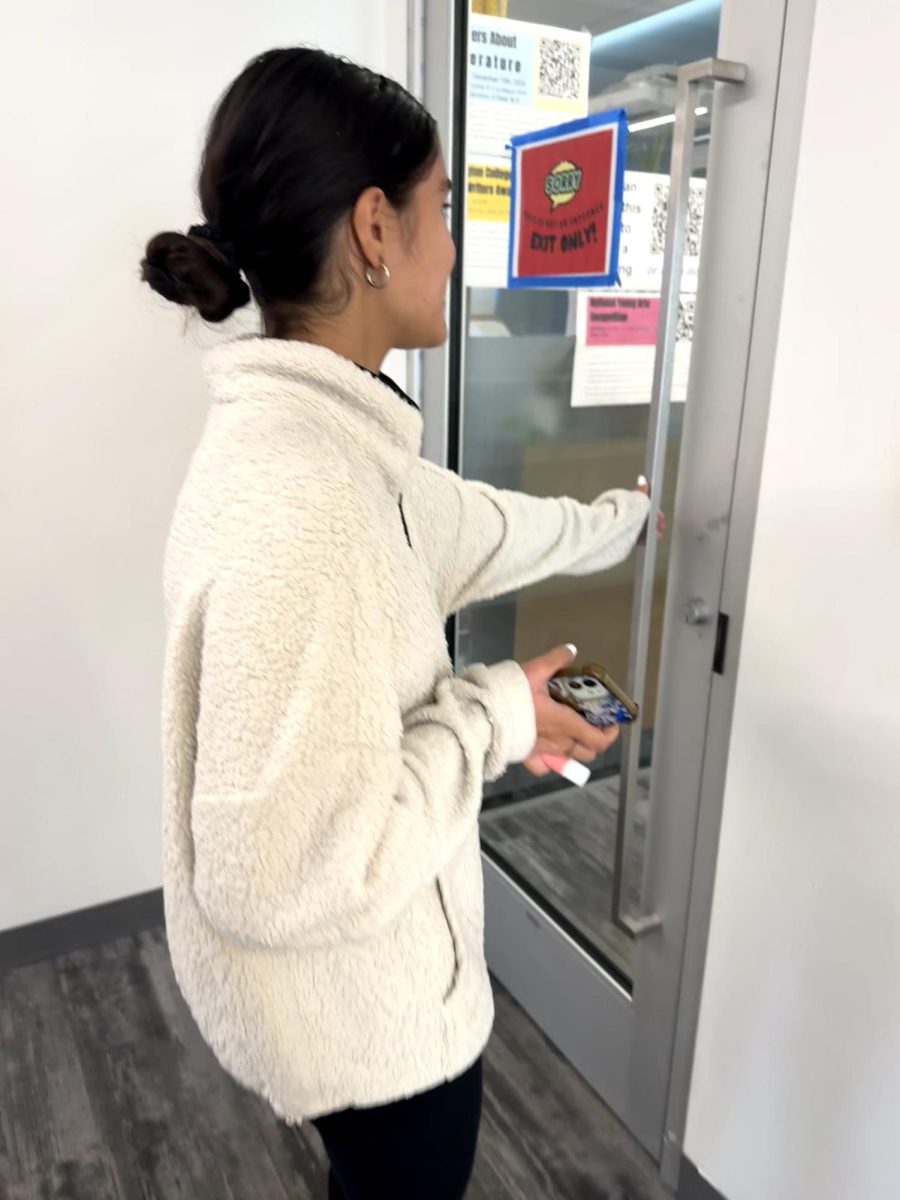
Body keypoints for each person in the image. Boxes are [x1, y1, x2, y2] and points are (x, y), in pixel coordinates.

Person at [143, 47, 653, 1200]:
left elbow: (476, 524)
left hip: (368, 996)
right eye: (437, 210)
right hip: (374, 1042)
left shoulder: (337, 449)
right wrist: (496, 714)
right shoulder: (302, 505)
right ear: (376, 230)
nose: (455, 242)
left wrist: (621, 518)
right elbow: (271, 874)